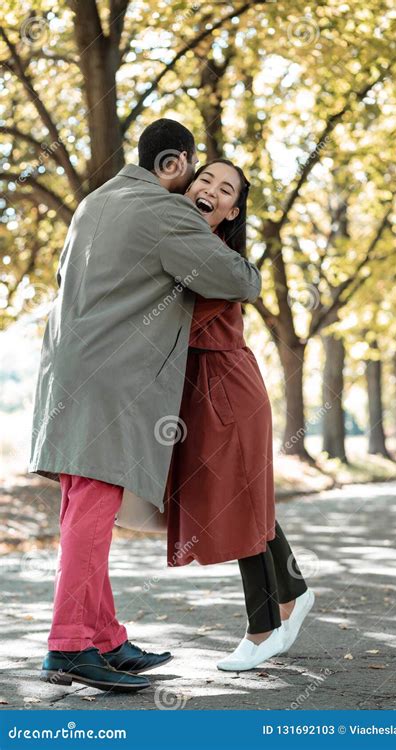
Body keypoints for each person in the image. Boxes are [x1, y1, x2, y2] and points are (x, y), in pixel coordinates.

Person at [29, 120, 262, 692]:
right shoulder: (168, 213)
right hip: (112, 380)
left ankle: (105, 638)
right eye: (193, 170)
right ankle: (66, 646)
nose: (195, 187)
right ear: (173, 163)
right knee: (91, 512)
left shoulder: (95, 201)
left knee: (81, 507)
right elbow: (237, 279)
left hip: (65, 372)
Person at [164, 159, 315, 671]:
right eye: (205, 179)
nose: (211, 189)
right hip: (207, 388)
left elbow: (172, 320)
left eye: (226, 189)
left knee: (238, 503)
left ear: (230, 211)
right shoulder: (185, 240)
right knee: (249, 499)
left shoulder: (215, 255)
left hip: (226, 387)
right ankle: (293, 591)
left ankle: (263, 628)